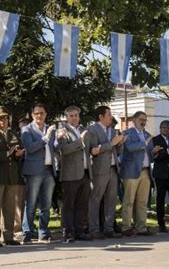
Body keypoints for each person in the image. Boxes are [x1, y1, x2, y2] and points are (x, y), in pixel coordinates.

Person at [0, 106, 24, 247]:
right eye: (0, 119)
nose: (3, 121)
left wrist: (18, 155)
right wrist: (8, 153)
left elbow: (17, 154)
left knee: (9, 208)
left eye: (5, 119)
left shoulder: (13, 135)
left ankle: (8, 236)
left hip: (11, 176)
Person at [21, 103, 57, 244]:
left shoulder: (50, 129)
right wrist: (45, 138)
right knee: (31, 204)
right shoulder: (27, 130)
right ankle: (27, 233)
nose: (39, 116)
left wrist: (58, 139)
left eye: (42, 113)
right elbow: (29, 148)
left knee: (46, 205)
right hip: (34, 172)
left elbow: (54, 148)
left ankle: (43, 232)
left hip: (49, 170)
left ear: (46, 114)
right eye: (36, 113)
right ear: (32, 115)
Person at [87, 106, 125, 239]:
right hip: (100, 170)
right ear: (101, 117)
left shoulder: (112, 130)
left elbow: (116, 151)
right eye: (109, 114)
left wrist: (120, 144)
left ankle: (109, 228)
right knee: (95, 199)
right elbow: (93, 150)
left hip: (113, 169)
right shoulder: (92, 130)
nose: (111, 117)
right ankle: (94, 229)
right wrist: (112, 143)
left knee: (111, 200)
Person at [56, 106, 92, 243]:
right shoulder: (62, 131)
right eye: (71, 115)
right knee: (68, 205)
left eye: (76, 115)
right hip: (70, 174)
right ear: (66, 117)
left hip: (85, 172)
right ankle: (68, 232)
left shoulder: (84, 130)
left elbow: (88, 150)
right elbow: (63, 150)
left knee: (82, 204)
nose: (74, 118)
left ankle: (79, 231)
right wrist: (79, 142)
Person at [120, 111, 154, 236]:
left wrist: (154, 152)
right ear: (134, 120)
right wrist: (144, 143)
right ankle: (126, 227)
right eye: (141, 119)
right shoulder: (127, 133)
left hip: (145, 171)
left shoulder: (147, 135)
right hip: (131, 171)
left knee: (142, 202)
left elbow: (149, 154)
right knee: (129, 201)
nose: (143, 122)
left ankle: (141, 227)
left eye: (145, 119)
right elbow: (129, 148)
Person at [151, 120, 169, 233]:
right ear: (160, 128)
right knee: (160, 199)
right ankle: (161, 223)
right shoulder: (155, 139)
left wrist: (165, 151)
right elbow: (156, 156)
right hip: (161, 173)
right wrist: (168, 151)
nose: (166, 129)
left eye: (168, 128)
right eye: (164, 127)